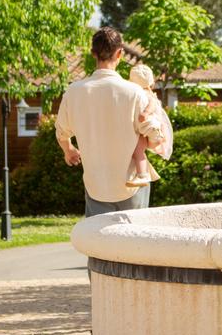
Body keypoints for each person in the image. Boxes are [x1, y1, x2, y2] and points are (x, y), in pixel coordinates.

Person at [55, 27, 163, 217]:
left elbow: (61, 132)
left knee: (98, 244)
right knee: (134, 243)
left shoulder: (74, 91)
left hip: (96, 186)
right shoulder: (135, 92)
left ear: (93, 54)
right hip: (131, 185)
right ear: (120, 53)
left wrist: (69, 150)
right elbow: (154, 139)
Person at [125, 64, 174, 187]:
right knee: (139, 150)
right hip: (150, 129)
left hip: (151, 127)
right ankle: (142, 174)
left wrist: (145, 113)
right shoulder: (147, 92)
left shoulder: (144, 93)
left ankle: (142, 175)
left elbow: (152, 104)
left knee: (138, 151)